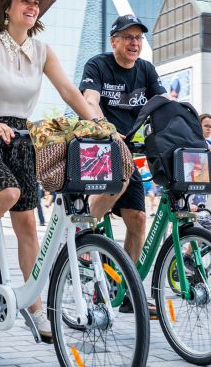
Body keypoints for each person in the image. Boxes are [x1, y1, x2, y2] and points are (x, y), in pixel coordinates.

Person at [0, 0, 102, 339]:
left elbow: (68, 91)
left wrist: (98, 124)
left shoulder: (42, 50)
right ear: (7, 7)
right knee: (8, 193)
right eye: (25, 0)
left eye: (36, 3)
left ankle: (34, 308)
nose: (32, 7)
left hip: (20, 136)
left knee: (26, 227)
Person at [78, 14, 168, 271]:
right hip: (96, 145)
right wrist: (106, 128)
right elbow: (90, 100)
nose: (134, 43)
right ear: (114, 41)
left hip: (125, 150)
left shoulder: (146, 70)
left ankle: (128, 287)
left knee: (138, 219)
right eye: (128, 37)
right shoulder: (98, 65)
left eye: (138, 38)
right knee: (120, 177)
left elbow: (163, 105)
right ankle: (81, 231)